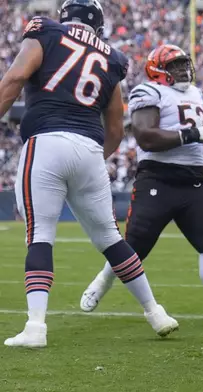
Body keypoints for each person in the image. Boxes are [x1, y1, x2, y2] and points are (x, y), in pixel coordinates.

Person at [1, 0, 178, 348]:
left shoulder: (46, 31)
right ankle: (156, 312)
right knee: (111, 238)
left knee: (40, 234)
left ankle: (36, 327)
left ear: (65, 15)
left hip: (46, 141)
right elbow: (115, 127)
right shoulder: (112, 57)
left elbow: (17, 76)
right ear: (97, 23)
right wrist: (93, 158)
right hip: (90, 150)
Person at [79, 44, 203, 329]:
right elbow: (147, 137)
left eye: (184, 64)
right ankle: (103, 280)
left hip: (193, 180)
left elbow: (197, 135)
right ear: (158, 70)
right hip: (158, 178)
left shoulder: (194, 93)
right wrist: (193, 134)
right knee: (134, 246)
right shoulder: (148, 92)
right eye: (175, 65)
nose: (183, 70)